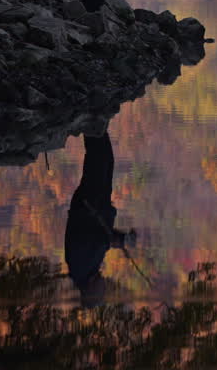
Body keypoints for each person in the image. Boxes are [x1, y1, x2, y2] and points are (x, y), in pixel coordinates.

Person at [65, 128, 137, 307]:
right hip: (96, 205)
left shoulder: (78, 267)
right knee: (106, 161)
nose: (104, 287)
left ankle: (91, 124)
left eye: (101, 291)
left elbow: (88, 239)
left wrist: (115, 242)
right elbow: (101, 237)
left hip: (89, 204)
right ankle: (97, 125)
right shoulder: (89, 269)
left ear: (90, 291)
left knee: (98, 161)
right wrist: (120, 239)